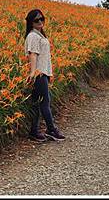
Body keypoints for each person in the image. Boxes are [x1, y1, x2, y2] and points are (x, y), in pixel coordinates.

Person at [24, 9, 66, 143]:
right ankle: (51, 129)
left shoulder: (40, 35)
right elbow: (33, 54)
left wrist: (49, 73)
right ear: (31, 22)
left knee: (38, 103)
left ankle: (34, 132)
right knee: (45, 102)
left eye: (42, 19)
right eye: (37, 20)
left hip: (43, 73)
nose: (40, 21)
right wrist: (33, 72)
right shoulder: (33, 36)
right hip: (39, 73)